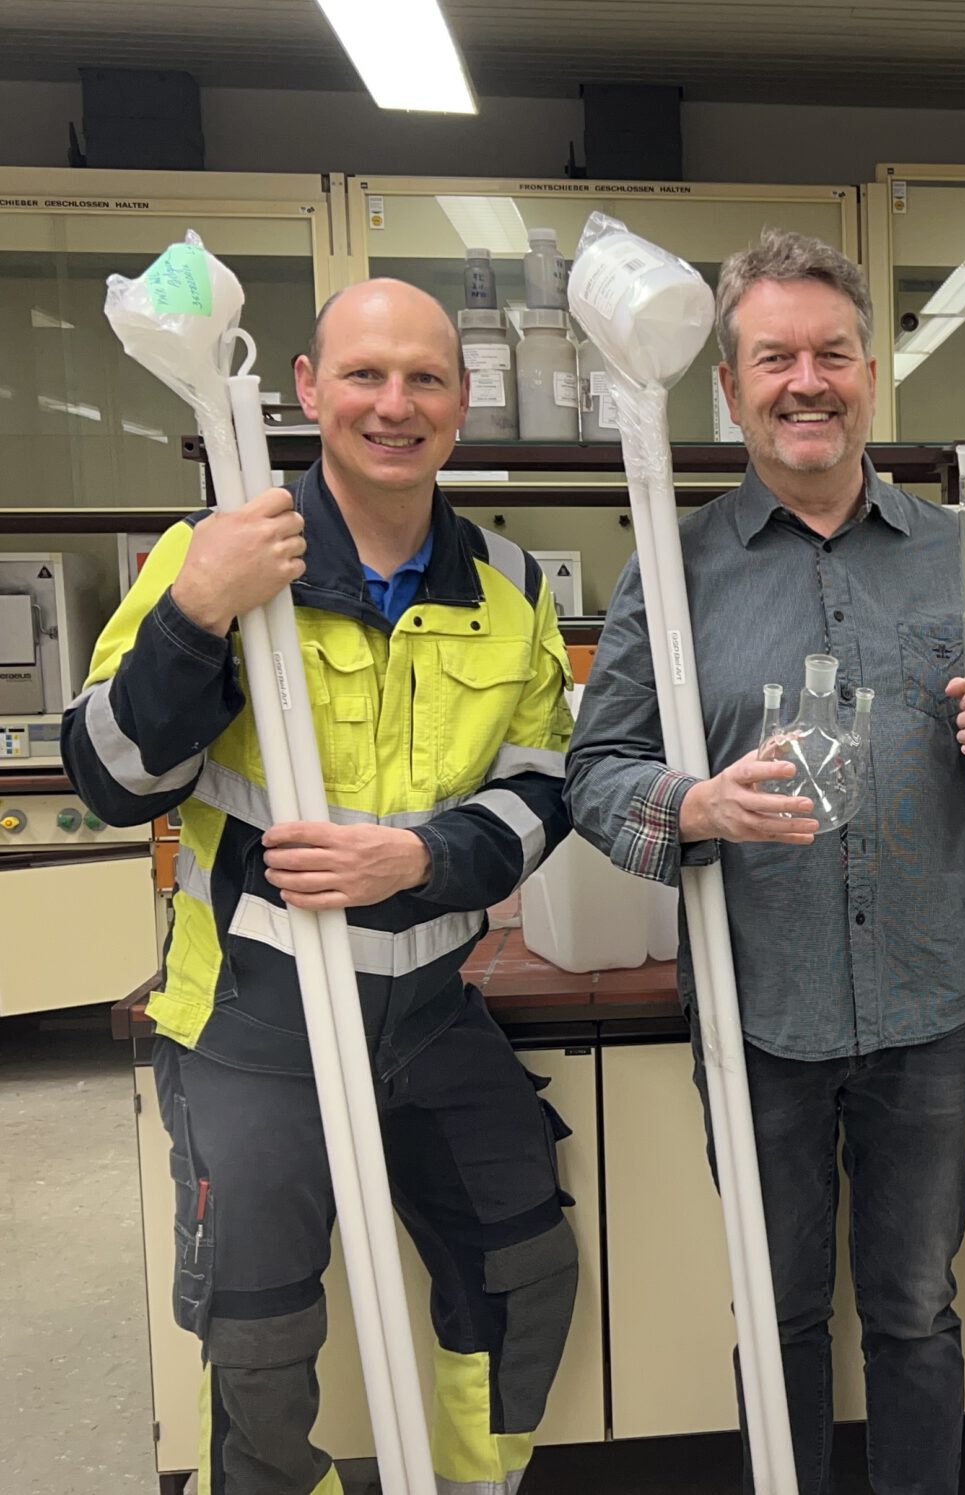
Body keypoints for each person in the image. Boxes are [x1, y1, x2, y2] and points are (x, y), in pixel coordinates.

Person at [565, 228, 965, 1495]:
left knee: (913, 1309)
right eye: (773, 357)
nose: (806, 381)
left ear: (870, 371)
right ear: (729, 387)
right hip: (756, 1010)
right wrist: (695, 807)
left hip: (925, 1005)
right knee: (778, 1311)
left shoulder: (962, 554)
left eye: (831, 353)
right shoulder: (670, 569)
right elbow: (594, 775)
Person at [64, 279, 579, 1495]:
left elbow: (545, 786)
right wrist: (197, 615)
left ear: (461, 404)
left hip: (431, 1012)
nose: (394, 405)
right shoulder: (217, 552)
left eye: (425, 379)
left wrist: (423, 860)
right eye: (365, 375)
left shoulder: (509, 584)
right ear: (306, 388)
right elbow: (109, 780)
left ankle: (472, 1483)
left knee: (525, 1270)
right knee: (259, 1338)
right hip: (253, 1016)